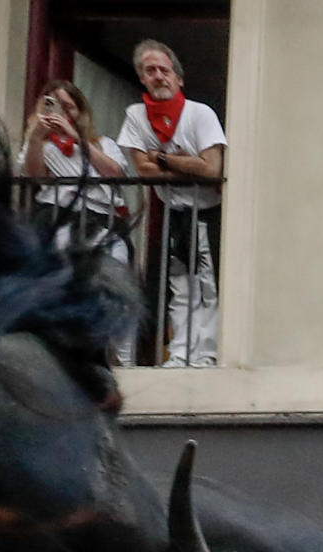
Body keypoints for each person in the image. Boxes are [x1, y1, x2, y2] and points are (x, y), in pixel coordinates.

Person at [116, 39, 225, 367]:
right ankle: (180, 353)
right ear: (142, 79)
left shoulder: (199, 113)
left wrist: (161, 158)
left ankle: (205, 354)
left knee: (207, 287)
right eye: (151, 71)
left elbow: (213, 168)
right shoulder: (136, 116)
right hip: (175, 212)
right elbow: (143, 171)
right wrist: (183, 164)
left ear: (179, 79)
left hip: (207, 212)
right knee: (181, 287)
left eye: (165, 70)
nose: (159, 76)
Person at [18, 79, 134, 365]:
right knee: (63, 287)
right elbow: (35, 175)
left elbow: (115, 172)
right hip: (61, 221)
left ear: (81, 112)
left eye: (70, 108)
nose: (64, 114)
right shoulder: (41, 147)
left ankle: (122, 357)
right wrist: (36, 137)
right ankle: (64, 355)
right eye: (56, 106)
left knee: (117, 286)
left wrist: (76, 137)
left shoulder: (102, 143)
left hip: (101, 223)